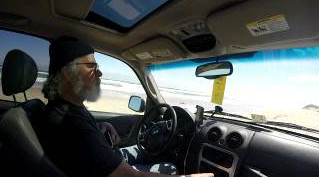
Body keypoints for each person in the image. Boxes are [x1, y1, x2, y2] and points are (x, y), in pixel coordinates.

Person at [40, 36, 214, 177]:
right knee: (169, 167)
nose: (99, 73)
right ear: (67, 73)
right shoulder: (73, 126)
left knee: (142, 150)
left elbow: (83, 142)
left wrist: (101, 126)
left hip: (102, 160)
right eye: (91, 66)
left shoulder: (65, 108)